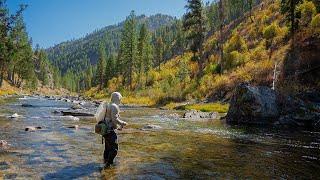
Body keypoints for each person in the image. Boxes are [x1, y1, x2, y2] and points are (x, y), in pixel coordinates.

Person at [95, 92, 127, 169]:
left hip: (105, 130)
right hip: (109, 131)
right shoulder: (114, 106)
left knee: (107, 148)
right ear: (118, 98)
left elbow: (110, 119)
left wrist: (117, 127)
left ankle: (105, 161)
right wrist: (122, 123)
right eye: (120, 98)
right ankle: (108, 164)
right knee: (114, 149)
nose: (120, 100)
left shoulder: (109, 105)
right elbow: (114, 119)